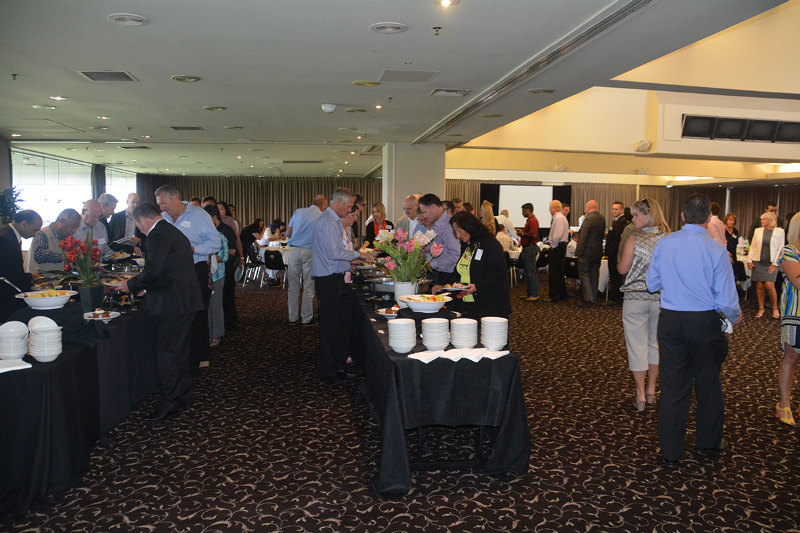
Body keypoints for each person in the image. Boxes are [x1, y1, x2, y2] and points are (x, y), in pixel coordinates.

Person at [646, 193, 742, 469]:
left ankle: (671, 450)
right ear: (709, 218)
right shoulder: (716, 250)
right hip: (704, 323)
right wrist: (735, 316)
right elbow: (726, 299)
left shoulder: (665, 243)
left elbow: (652, 283)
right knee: (708, 382)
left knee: (674, 387)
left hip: (671, 321)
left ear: (683, 216)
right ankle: (708, 442)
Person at [114, 203, 204, 423]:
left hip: (173, 305)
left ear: (144, 220)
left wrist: (130, 285)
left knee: (168, 355)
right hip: (184, 301)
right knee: (180, 354)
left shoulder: (157, 235)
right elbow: (168, 270)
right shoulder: (170, 231)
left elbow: (154, 270)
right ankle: (183, 397)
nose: (139, 230)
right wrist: (146, 287)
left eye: (138, 225)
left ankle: (169, 404)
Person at [155, 184, 221, 371]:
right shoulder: (164, 218)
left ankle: (199, 357)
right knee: (177, 314)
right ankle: (180, 356)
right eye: (159, 204)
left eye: (164, 203)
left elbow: (215, 243)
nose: (162, 207)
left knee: (197, 313)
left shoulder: (199, 215)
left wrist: (193, 249)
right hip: (171, 272)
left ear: (175, 198)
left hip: (195, 270)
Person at [312, 187, 373, 384]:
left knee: (339, 325)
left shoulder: (333, 221)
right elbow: (334, 253)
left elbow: (335, 256)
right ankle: (329, 370)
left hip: (334, 277)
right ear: (339, 202)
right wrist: (359, 255)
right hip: (328, 281)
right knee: (331, 327)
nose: (349, 210)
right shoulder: (328, 222)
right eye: (348, 206)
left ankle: (337, 366)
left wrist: (352, 262)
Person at [617, 198, 670, 411]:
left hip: (635, 298)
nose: (633, 219)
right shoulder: (668, 238)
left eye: (637, 215)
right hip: (661, 298)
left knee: (636, 345)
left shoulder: (634, 238)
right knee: (654, 344)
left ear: (649, 216)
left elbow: (622, 269)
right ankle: (651, 389)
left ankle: (639, 393)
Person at [435, 211, 510, 320]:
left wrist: (477, 287)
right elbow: (460, 270)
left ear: (469, 228)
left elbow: (499, 273)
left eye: (459, 231)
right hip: (469, 303)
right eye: (455, 232)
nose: (457, 236)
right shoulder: (468, 244)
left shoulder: (490, 243)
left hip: (490, 305)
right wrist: (444, 286)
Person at [286, 194, 326, 326]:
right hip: (310, 251)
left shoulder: (298, 212)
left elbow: (288, 233)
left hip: (294, 250)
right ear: (323, 205)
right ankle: (306, 318)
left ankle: (292, 318)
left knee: (293, 286)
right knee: (308, 286)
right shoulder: (322, 216)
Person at [776, 213, 800, 425]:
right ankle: (784, 403)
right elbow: (798, 281)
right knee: (791, 357)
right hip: (795, 314)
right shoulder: (789, 251)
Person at [0, 210, 42, 321]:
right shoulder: (4, 238)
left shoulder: (9, 234)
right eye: (34, 230)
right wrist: (30, 277)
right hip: (5, 296)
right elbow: (8, 272)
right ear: (24, 224)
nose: (35, 234)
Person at [747, 211, 785, 318]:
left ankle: (775, 308)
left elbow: (780, 248)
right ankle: (761, 309)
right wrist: (749, 260)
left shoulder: (780, 231)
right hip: (758, 261)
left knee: (769, 285)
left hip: (772, 262)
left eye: (763, 219)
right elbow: (753, 246)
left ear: (770, 220)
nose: (761, 221)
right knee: (759, 285)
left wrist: (775, 263)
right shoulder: (758, 230)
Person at [419, 194, 461, 286]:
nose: (424, 216)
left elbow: (455, 255)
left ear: (433, 207)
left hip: (449, 275)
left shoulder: (448, 225)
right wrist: (425, 249)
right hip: (440, 272)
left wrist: (431, 264)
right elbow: (438, 243)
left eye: (424, 212)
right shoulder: (438, 223)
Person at [203, 204, 229, 348]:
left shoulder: (220, 236)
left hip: (217, 276)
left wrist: (210, 258)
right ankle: (206, 334)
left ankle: (217, 334)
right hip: (204, 276)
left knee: (216, 306)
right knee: (205, 307)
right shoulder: (201, 237)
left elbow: (225, 256)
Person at [24, 208, 81, 274]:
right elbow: (38, 254)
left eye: (76, 227)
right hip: (38, 278)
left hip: (57, 278)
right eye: (72, 227)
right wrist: (62, 256)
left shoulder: (66, 237)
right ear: (62, 221)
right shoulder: (42, 233)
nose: (74, 230)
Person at [575, 200, 606, 307]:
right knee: (594, 275)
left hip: (586, 253)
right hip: (597, 252)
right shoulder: (602, 218)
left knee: (584, 274)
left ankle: (589, 299)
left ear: (588, 208)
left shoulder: (588, 219)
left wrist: (578, 252)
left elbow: (582, 237)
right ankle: (594, 298)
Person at [605, 201, 629, 305]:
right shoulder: (617, 221)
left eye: (616, 209)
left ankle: (615, 298)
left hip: (614, 254)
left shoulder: (620, 222)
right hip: (613, 254)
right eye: (613, 209)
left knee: (615, 277)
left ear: (622, 210)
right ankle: (616, 297)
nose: (614, 211)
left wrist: (610, 252)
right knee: (615, 277)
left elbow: (616, 240)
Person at [546, 200, 570, 303]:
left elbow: (557, 235)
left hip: (557, 247)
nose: (549, 210)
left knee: (554, 272)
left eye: (550, 207)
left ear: (555, 208)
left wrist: (553, 246)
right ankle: (562, 294)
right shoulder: (561, 217)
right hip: (560, 246)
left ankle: (553, 295)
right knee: (559, 272)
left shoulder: (558, 218)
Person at [516, 202, 540, 302]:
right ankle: (530, 293)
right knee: (528, 272)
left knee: (531, 272)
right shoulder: (530, 220)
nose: (522, 213)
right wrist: (523, 233)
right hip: (528, 248)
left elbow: (533, 235)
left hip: (530, 248)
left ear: (528, 210)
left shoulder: (533, 220)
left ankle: (534, 294)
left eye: (523, 211)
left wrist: (523, 233)